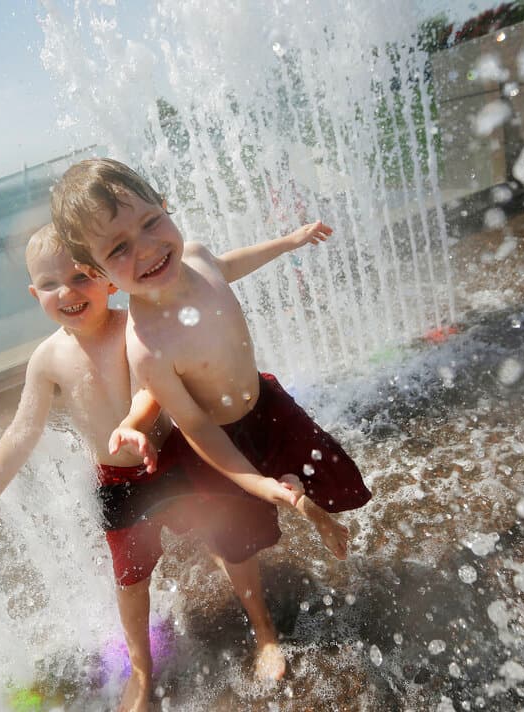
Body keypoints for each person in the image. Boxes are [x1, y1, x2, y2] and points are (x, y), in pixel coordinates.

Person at [0, 225, 298, 711]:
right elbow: (22, 433)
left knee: (229, 541)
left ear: (109, 280)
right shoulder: (47, 360)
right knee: (130, 582)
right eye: (50, 284)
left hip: (174, 456)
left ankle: (264, 631)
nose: (67, 292)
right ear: (34, 294)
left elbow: (150, 385)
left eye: (81, 276)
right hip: (119, 482)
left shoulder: (134, 324)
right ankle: (141, 672)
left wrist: (135, 418)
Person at [51, 157, 373, 673]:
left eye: (151, 223)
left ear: (165, 206)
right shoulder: (148, 345)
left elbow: (231, 264)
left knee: (325, 469)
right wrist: (254, 483)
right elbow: (196, 427)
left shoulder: (196, 258)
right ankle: (265, 632)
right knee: (239, 547)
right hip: (218, 447)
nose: (148, 249)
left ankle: (287, 480)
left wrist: (289, 242)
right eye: (119, 249)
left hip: (266, 407)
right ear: (99, 275)